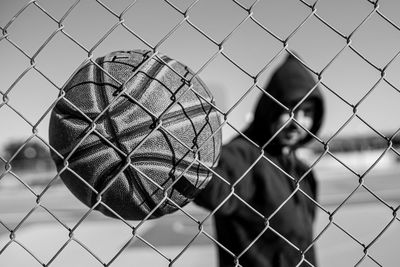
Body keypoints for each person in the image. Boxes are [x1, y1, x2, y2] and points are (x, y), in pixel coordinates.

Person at [194, 53, 324, 267]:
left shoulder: (303, 172)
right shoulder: (242, 155)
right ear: (270, 108)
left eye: (307, 112)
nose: (297, 122)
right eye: (289, 109)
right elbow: (214, 187)